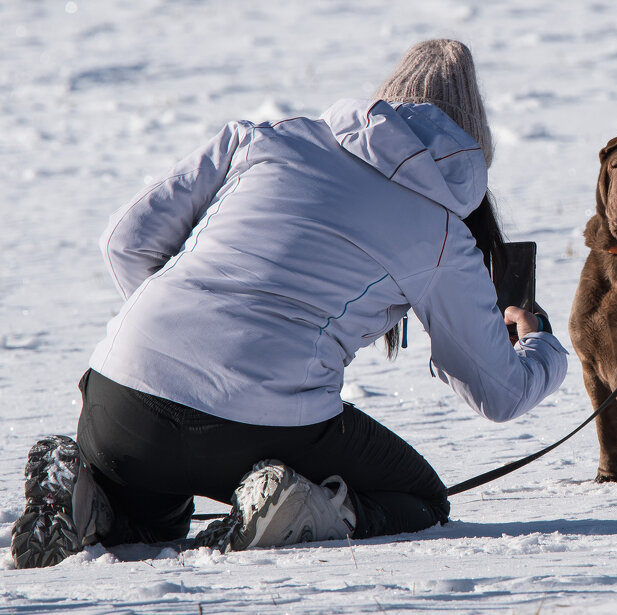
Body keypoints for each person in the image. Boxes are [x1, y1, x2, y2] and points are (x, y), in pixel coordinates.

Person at [11, 39, 568, 569]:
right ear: (470, 150)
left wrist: (185, 344)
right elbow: (499, 394)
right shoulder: (443, 228)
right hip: (260, 424)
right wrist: (540, 344)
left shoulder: (271, 137)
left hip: (118, 394)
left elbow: (124, 241)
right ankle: (299, 509)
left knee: (155, 519)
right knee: (417, 497)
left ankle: (91, 502)